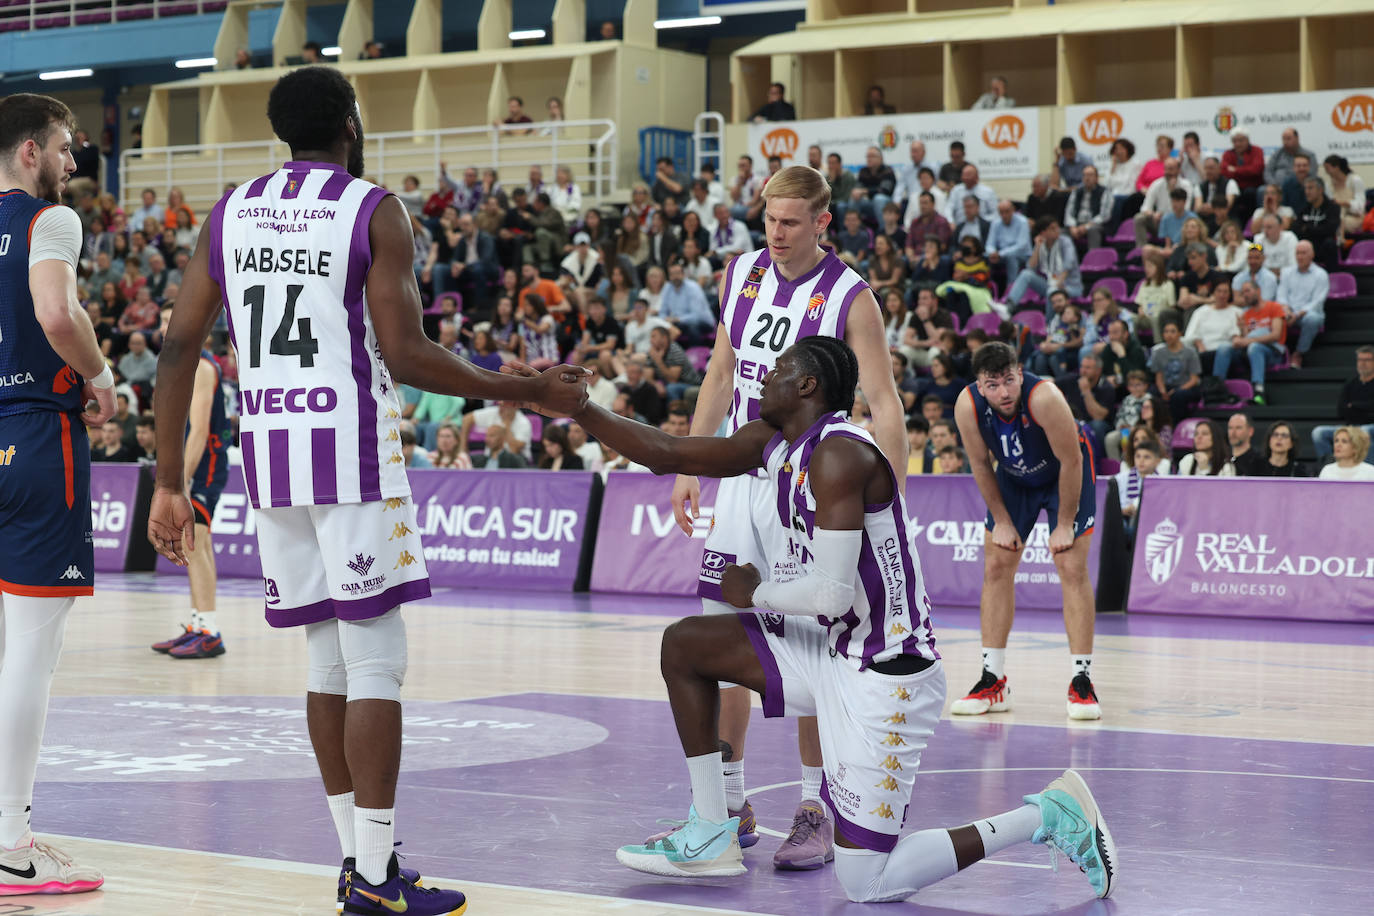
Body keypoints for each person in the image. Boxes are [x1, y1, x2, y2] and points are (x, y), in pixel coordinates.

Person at [147, 67, 587, 916]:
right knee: (376, 661)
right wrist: (524, 389)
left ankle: (360, 864)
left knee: (324, 661)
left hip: (270, 458)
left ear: (282, 131)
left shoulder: (230, 211)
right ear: (350, 122)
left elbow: (175, 352)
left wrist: (169, 478)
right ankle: (378, 877)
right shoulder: (371, 208)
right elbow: (411, 352)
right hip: (348, 454)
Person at [532, 337, 1116, 901]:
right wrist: (581, 408)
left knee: (868, 882)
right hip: (833, 650)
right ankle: (711, 828)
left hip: (888, 675)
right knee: (685, 646)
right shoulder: (776, 440)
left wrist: (754, 591)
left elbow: (834, 594)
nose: (763, 374)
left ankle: (1048, 813)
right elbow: (669, 452)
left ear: (807, 384)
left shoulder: (840, 454)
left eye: (778, 367)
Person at [665, 164, 907, 872]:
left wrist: (883, 494)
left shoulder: (851, 297)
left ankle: (814, 807)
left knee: (809, 639)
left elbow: (883, 402)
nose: (777, 232)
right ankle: (729, 803)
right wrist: (691, 464)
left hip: (806, 488)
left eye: (792, 221)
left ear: (822, 223)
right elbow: (719, 372)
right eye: (770, 218)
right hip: (741, 479)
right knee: (721, 635)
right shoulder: (739, 273)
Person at [0, 92, 114, 894]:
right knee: (31, 654)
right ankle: (10, 843)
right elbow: (54, 309)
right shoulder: (51, 222)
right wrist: (103, 377)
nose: (73, 162)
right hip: (38, 435)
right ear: (29, 152)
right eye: (65, 147)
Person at [950, 342, 1103, 721]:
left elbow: (1072, 460)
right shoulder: (966, 406)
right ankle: (992, 679)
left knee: (1070, 567)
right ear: (979, 385)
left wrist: (1064, 523)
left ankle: (1081, 682)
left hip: (1064, 475)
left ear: (1020, 374)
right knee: (997, 566)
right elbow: (980, 465)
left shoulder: (1044, 397)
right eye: (992, 384)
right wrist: (1001, 519)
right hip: (1014, 477)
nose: (1003, 392)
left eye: (1009, 380)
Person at [150, 325, 232, 659]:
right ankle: (201, 625)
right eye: (164, 320)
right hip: (194, 462)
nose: (167, 326)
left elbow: (198, 431)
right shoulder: (182, 364)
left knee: (194, 541)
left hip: (205, 463)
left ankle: (210, 631)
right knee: (199, 543)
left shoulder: (202, 366)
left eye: (174, 319)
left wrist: (179, 483)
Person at [1214, 280, 1285, 404]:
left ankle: (1259, 390)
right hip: (1250, 353)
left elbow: (1276, 335)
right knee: (1224, 347)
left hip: (1273, 352)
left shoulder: (1274, 307)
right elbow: (1246, 340)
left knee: (1255, 347)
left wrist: (1248, 340)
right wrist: (1242, 330)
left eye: (1247, 291)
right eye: (1242, 293)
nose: (1245, 295)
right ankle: (1215, 388)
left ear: (1258, 291)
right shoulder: (1246, 313)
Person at [1312, 346, 1374, 463]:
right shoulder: (1350, 383)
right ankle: (1331, 468)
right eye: (1360, 360)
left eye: (1367, 360)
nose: (1362, 363)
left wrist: (1354, 406)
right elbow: (1341, 410)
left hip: (1371, 427)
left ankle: (1367, 473)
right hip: (1351, 427)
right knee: (1318, 433)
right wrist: (1364, 408)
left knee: (1365, 430)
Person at [1276, 240, 1328, 370]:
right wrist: (1286, 310)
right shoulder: (1287, 272)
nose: (1300, 257)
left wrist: (1297, 314)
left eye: (1303, 253)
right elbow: (1281, 295)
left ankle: (1298, 354)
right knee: (1273, 316)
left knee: (1312, 319)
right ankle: (1276, 355)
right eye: (1298, 253)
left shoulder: (1321, 275)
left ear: (1312, 255)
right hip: (1289, 312)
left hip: (1308, 314)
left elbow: (1317, 302)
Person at [1149, 319, 1202, 419]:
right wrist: (1163, 391)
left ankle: (1177, 424)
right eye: (1166, 331)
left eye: (1173, 331)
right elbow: (1159, 377)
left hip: (1186, 386)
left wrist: (1177, 390)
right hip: (1167, 386)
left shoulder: (1190, 352)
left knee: (1178, 396)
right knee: (1151, 393)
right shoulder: (1158, 352)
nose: (1169, 335)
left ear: (1179, 334)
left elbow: (1194, 379)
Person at [1064, 165, 1112, 250]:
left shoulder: (1104, 191)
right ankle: (1067, 261)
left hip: (1095, 225)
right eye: (1085, 175)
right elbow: (1068, 212)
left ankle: (1093, 260)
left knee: (1093, 230)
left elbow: (1104, 215)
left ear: (1097, 178)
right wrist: (1072, 227)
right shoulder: (1076, 191)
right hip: (1077, 224)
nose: (1087, 178)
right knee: (1059, 233)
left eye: (1090, 175)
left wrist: (1086, 226)